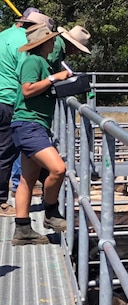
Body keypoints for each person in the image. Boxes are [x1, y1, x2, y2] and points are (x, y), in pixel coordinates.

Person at [10, 25, 73, 245]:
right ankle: (51, 213)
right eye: (51, 40)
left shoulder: (42, 63)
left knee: (27, 180)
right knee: (58, 169)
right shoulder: (33, 61)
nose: (55, 43)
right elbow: (27, 89)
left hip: (34, 125)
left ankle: (22, 229)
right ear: (43, 43)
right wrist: (55, 78)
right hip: (29, 125)